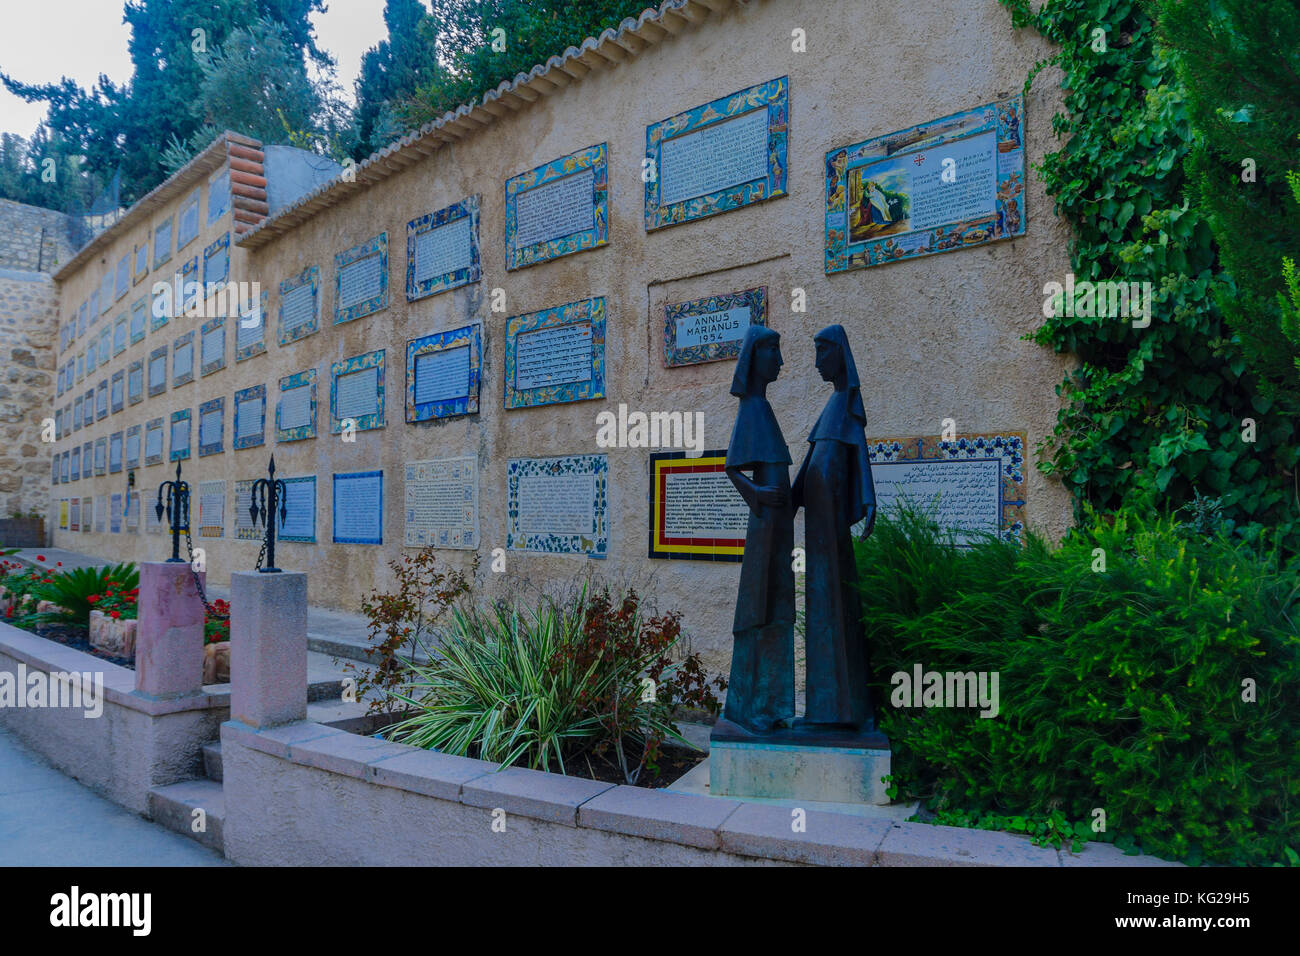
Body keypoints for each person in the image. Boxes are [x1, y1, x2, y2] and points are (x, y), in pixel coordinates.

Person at [792, 325, 877, 729]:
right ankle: (825, 707)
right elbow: (811, 462)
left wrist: (869, 501)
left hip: (830, 526)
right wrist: (787, 503)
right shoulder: (831, 405)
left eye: (821, 353)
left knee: (834, 608)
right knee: (820, 607)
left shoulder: (846, 404)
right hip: (817, 523)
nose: (816, 362)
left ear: (837, 355)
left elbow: (858, 452)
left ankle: (842, 708)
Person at [722, 325, 795, 733]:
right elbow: (732, 468)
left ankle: (770, 705)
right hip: (765, 527)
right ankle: (752, 708)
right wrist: (760, 495)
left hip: (777, 527)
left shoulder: (763, 408)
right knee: (761, 605)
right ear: (757, 358)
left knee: (776, 606)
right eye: (775, 353)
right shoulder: (752, 408)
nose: (780, 362)